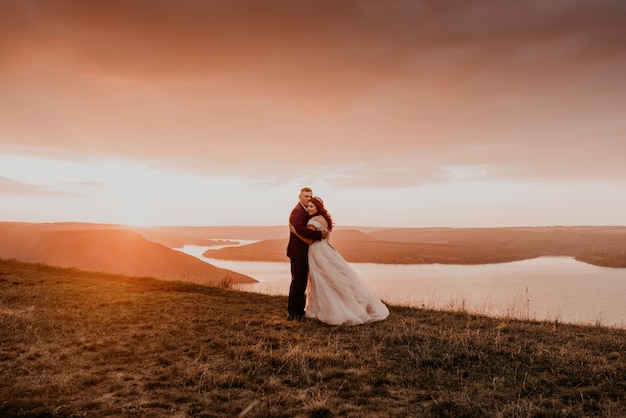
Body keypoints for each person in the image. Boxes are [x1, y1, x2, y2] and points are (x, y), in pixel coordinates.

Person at [290, 196, 389, 326]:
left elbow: (309, 241)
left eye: (311, 206)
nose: (308, 208)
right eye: (308, 206)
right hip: (326, 251)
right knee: (330, 280)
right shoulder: (325, 220)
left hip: (318, 253)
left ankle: (328, 310)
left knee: (322, 281)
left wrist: (295, 232)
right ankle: (341, 305)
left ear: (318, 208)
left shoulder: (314, 221)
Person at [286, 187, 326, 321]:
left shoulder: (307, 211)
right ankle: (292, 313)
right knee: (297, 283)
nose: (308, 198)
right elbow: (300, 229)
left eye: (310, 196)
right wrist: (319, 234)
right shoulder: (298, 212)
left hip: (304, 252)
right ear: (299, 197)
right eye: (306, 196)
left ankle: (299, 311)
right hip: (297, 252)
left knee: (301, 283)